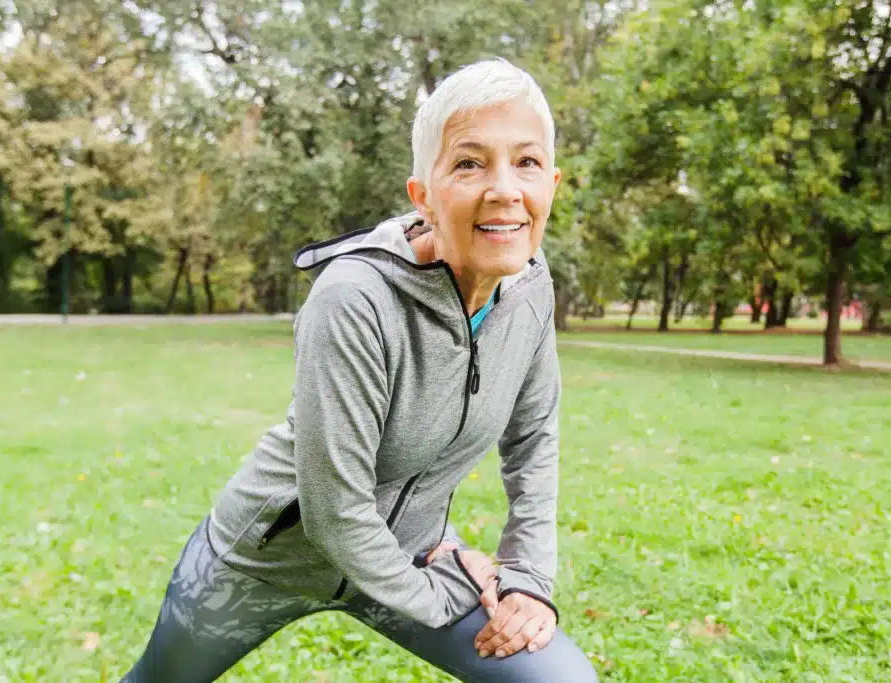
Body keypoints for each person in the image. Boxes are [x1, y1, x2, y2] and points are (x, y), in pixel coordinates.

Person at [122, 58, 598, 683]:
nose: (505, 189)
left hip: (411, 553)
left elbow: (533, 442)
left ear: (552, 185)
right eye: (469, 162)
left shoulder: (531, 290)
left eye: (527, 162)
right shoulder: (354, 297)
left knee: (558, 679)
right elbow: (335, 510)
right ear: (422, 195)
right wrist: (446, 593)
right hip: (266, 562)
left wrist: (529, 581)